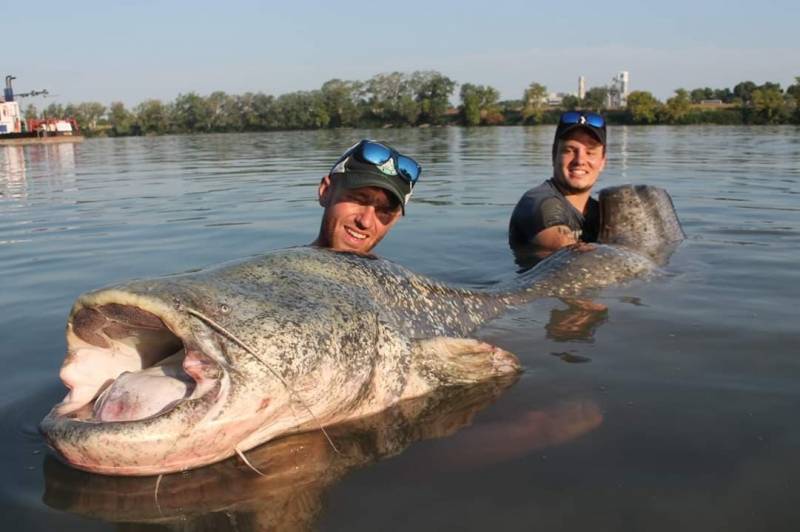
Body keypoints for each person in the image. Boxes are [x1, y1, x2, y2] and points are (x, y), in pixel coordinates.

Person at [508, 111, 607, 260]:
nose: (580, 160)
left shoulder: (598, 213)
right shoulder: (538, 202)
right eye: (569, 150)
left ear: (602, 161)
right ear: (554, 155)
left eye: (590, 152)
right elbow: (572, 255)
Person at [312, 139, 422, 255]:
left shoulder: (395, 273)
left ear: (395, 219)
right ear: (326, 191)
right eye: (358, 200)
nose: (365, 222)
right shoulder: (291, 267)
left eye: (384, 211)